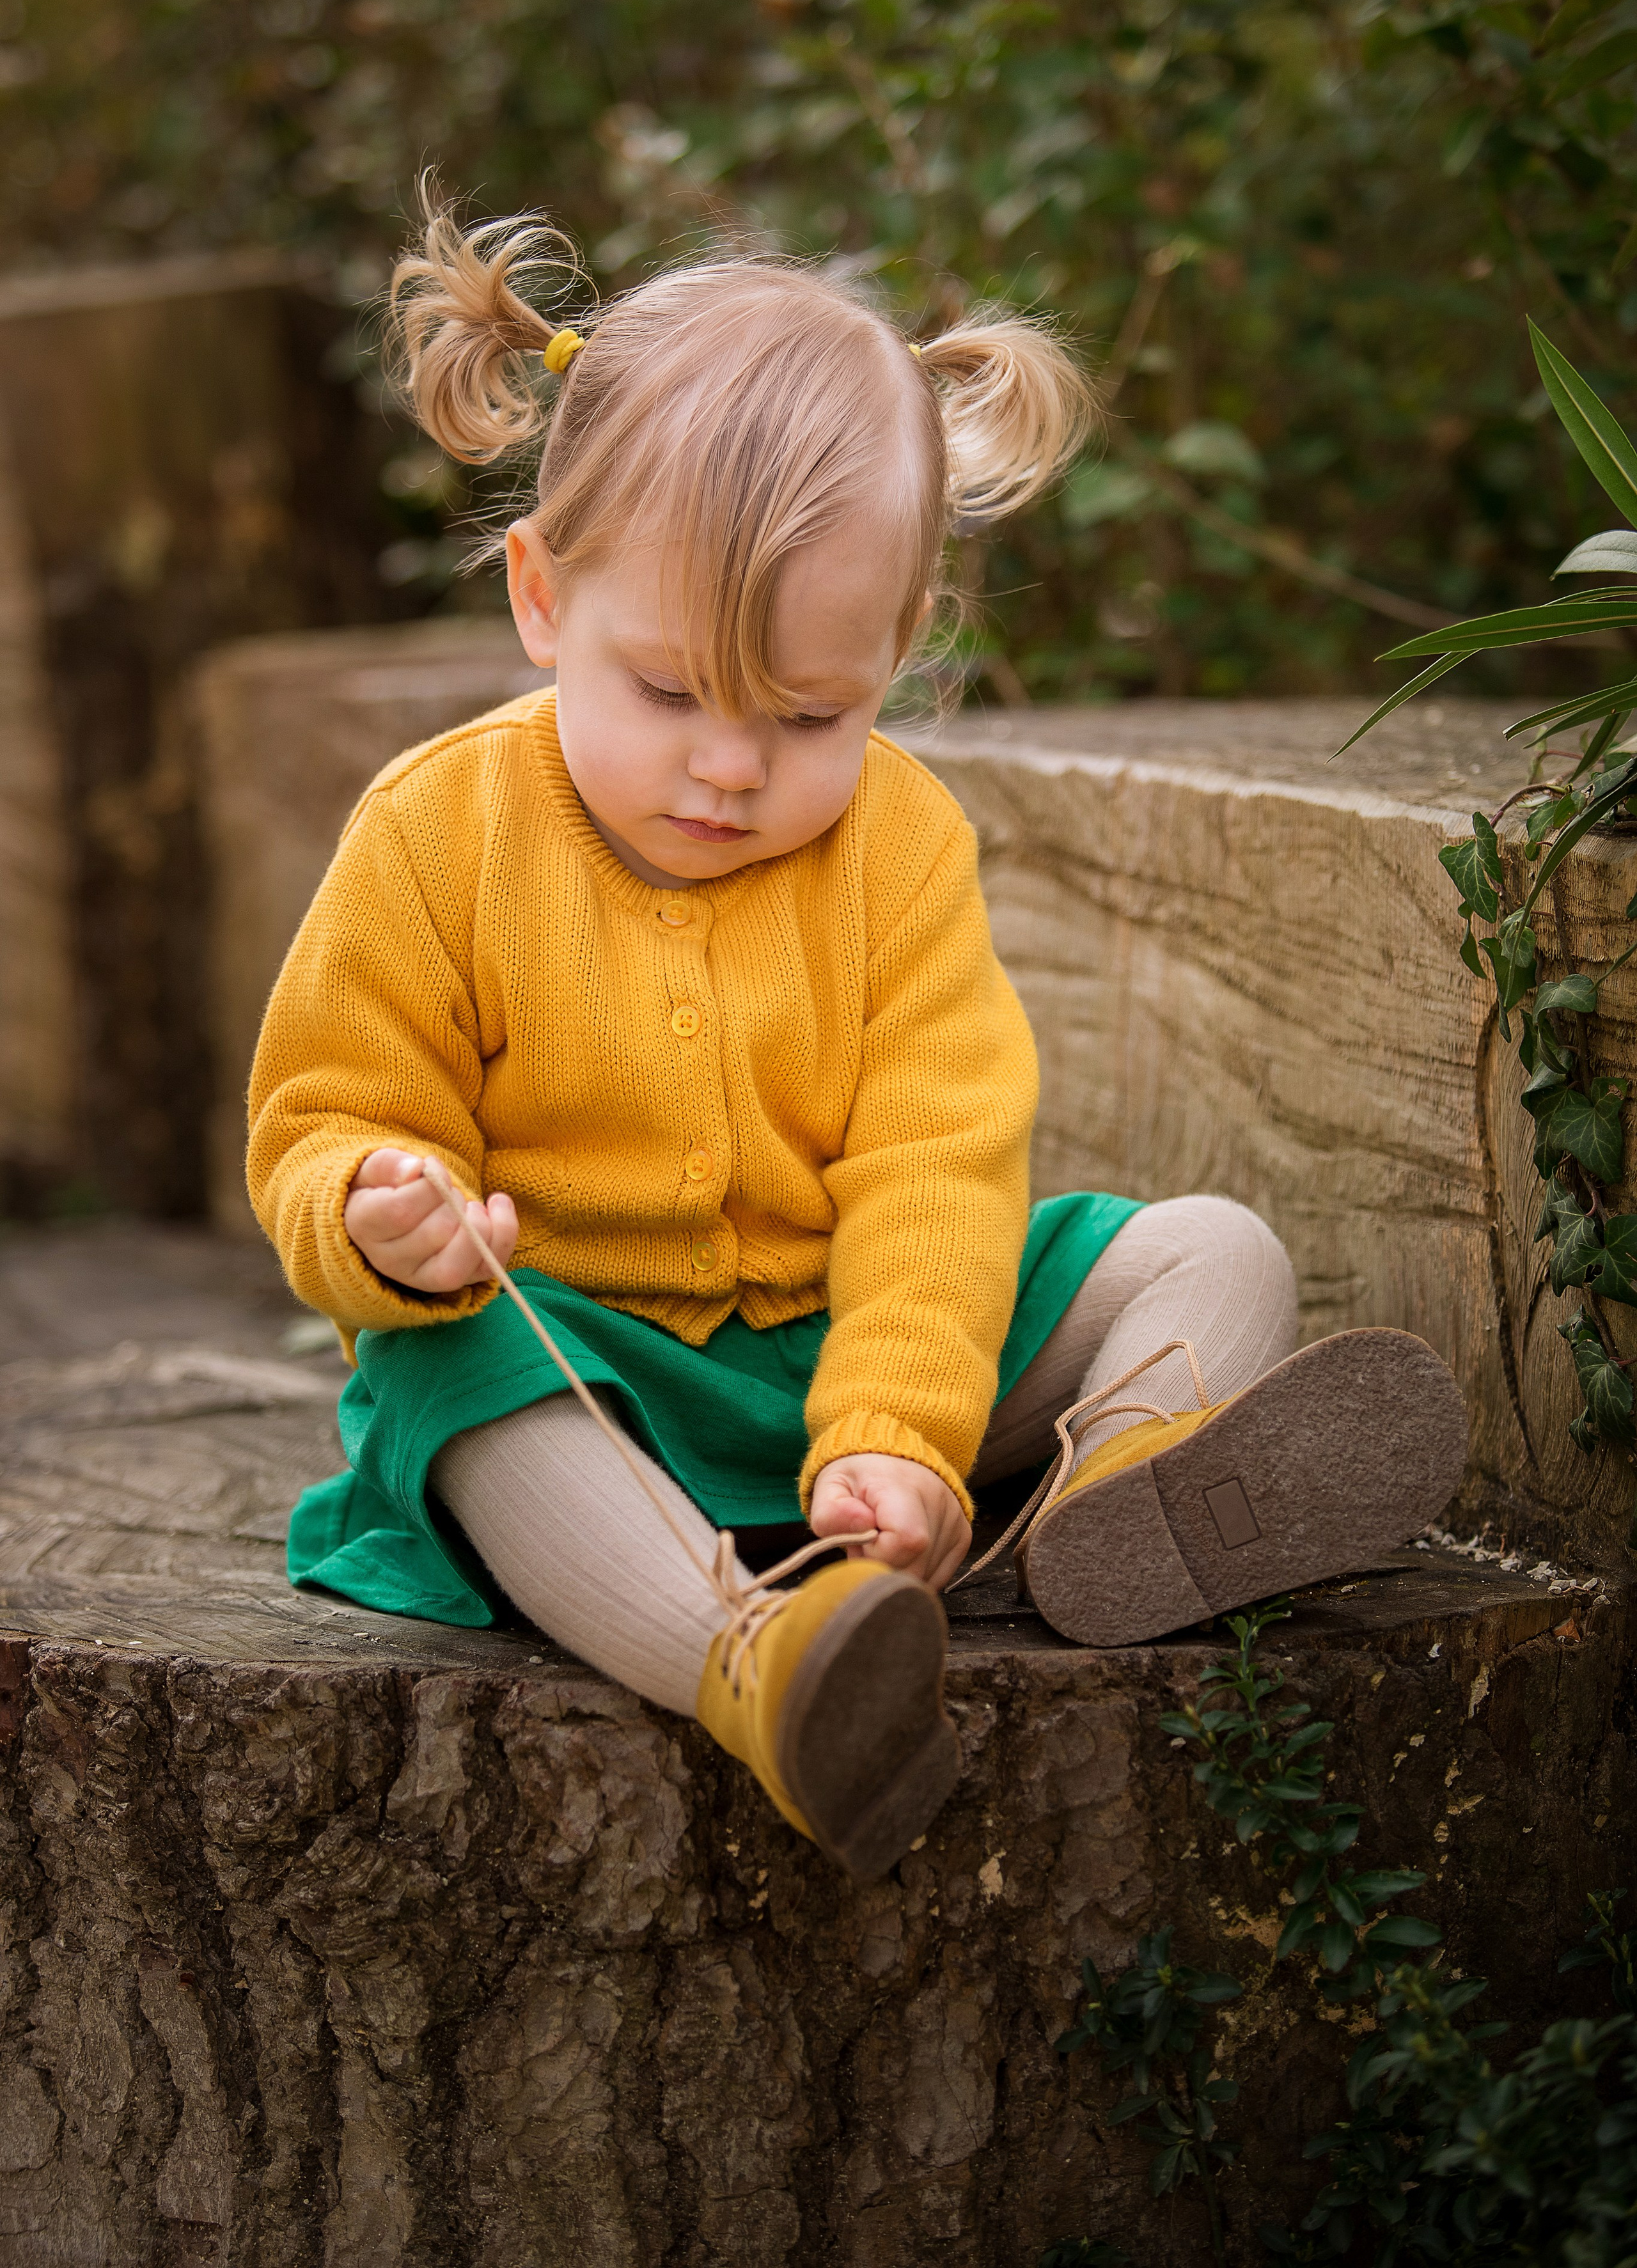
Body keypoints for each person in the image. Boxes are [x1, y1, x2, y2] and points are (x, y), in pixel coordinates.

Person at [249, 194, 1465, 1881]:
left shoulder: (902, 849)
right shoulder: (438, 834)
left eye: (808, 713)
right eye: (669, 694)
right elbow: (321, 1117)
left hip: (848, 1347)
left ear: (891, 658)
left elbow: (934, 1164)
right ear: (542, 598)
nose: (730, 769)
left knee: (1211, 1247)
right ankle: (757, 1664)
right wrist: (380, 1208)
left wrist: (893, 1429)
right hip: (591, 1374)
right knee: (463, 1376)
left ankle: (1112, 1508)